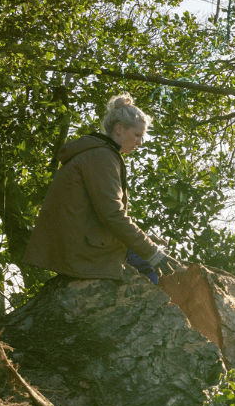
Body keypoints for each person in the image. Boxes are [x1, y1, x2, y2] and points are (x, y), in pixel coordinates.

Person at [23, 93, 182, 283]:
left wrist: (144, 239)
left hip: (78, 245)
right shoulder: (101, 157)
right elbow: (112, 214)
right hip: (84, 252)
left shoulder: (98, 153)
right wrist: (152, 252)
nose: (140, 143)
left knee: (149, 256)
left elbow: (101, 213)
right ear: (119, 129)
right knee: (154, 271)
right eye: (137, 135)